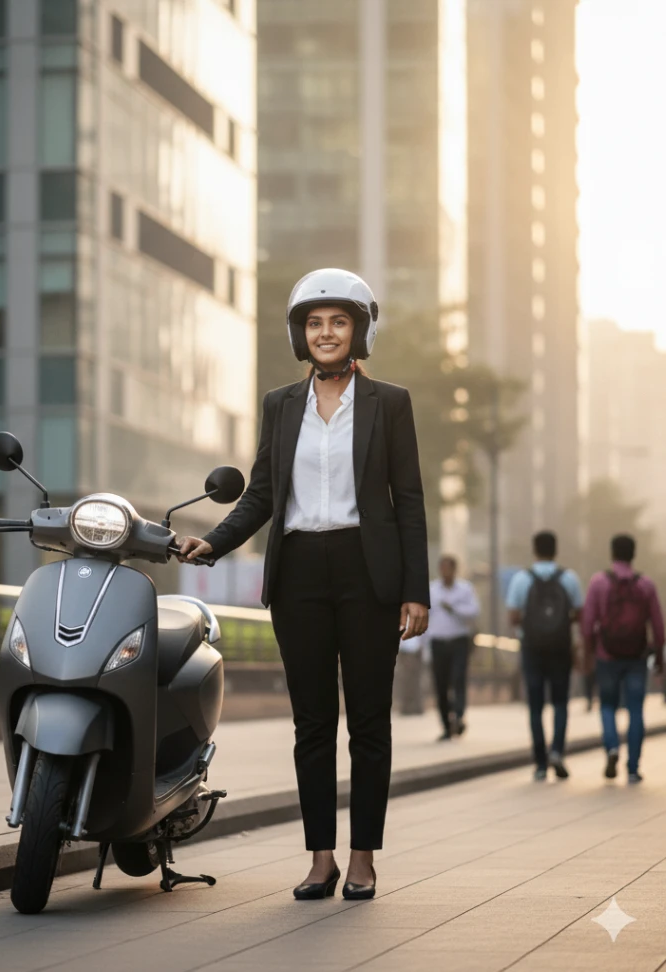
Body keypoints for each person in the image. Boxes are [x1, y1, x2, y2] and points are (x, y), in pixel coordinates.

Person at [177, 268, 429, 902]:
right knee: (312, 724)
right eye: (315, 323)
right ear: (300, 333)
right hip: (297, 579)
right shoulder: (280, 405)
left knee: (369, 724)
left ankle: (364, 857)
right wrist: (215, 541)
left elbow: (411, 502)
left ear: (359, 330)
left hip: (368, 573)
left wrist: (415, 590)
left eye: (338, 322)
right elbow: (262, 495)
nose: (326, 333)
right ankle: (322, 858)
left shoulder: (390, 403)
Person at [581, 534, 664, 783]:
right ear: (633, 554)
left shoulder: (599, 582)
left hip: (607, 655)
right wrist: (660, 657)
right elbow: (659, 628)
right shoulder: (646, 585)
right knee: (636, 709)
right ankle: (633, 767)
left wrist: (587, 653)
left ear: (612, 554)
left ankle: (612, 748)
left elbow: (587, 624)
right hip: (637, 656)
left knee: (607, 705)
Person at [506, 531, 583, 781]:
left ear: (535, 549)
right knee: (561, 703)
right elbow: (580, 614)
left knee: (536, 706)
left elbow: (513, 617)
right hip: (560, 648)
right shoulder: (569, 578)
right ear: (555, 549)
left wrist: (530, 628)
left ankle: (540, 763)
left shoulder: (522, 579)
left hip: (532, 649)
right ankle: (557, 752)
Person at [428, 555, 480, 740]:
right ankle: (446, 725)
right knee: (441, 684)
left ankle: (458, 715)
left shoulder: (465, 589)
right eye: (442, 568)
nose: (445, 572)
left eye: (448, 568)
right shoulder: (432, 590)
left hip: (458, 641)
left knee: (458, 679)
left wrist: (454, 608)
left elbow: (474, 611)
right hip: (438, 642)